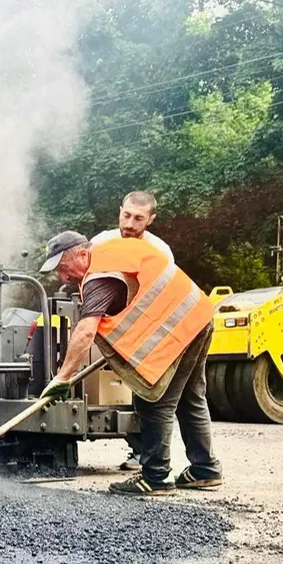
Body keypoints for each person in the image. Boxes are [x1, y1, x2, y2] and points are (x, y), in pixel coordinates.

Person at [37, 230, 222, 496]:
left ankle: (156, 477)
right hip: (197, 314)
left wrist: (62, 377)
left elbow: (85, 331)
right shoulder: (113, 252)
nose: (63, 277)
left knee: (153, 401)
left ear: (82, 254)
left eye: (63, 268)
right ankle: (205, 469)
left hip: (179, 328)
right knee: (190, 397)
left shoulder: (99, 276)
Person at [91, 191, 173, 471]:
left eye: (138, 218)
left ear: (151, 219)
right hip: (111, 329)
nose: (129, 223)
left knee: (150, 396)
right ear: (119, 211)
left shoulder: (160, 251)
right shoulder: (101, 243)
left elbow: (166, 296)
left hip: (147, 331)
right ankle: (142, 451)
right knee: (118, 391)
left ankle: (148, 457)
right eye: (126, 215)